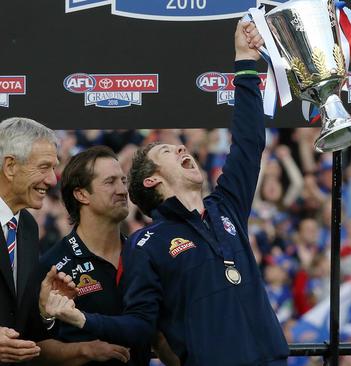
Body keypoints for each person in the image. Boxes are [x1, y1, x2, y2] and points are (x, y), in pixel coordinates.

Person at [45, 21, 290, 366]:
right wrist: (81, 319)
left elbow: (249, 142)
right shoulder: (146, 245)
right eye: (166, 153)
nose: (180, 151)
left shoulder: (226, 207)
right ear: (151, 181)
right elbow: (140, 327)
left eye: (179, 148)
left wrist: (245, 62)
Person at [37, 146, 159, 365]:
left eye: (123, 180)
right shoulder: (52, 267)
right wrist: (85, 351)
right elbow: (37, 346)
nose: (123, 190)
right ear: (82, 194)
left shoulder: (145, 254)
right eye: (110, 182)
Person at [0, 117, 75, 364]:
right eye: (44, 167)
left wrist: (43, 309)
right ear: (10, 166)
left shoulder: (28, 227)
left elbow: (19, 322)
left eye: (53, 168)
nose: (53, 180)